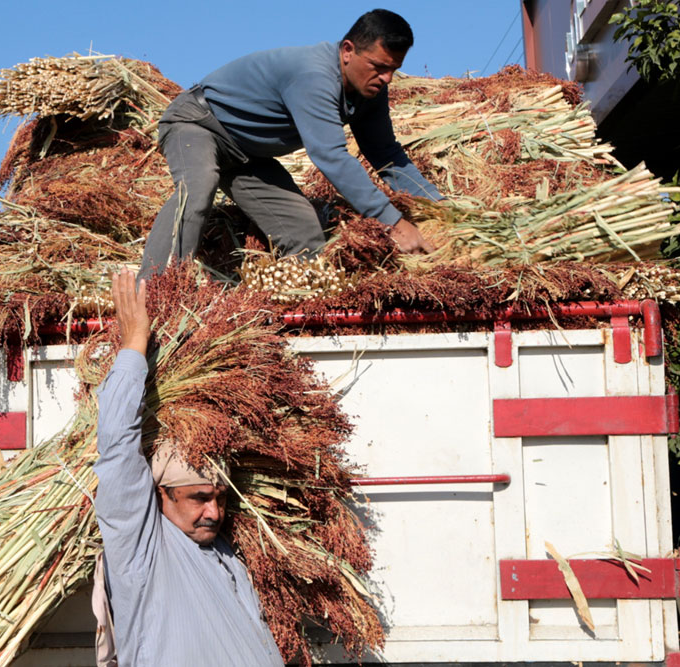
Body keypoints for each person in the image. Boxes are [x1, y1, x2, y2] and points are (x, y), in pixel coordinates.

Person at [139, 8, 442, 278]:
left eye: (394, 70)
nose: (387, 78)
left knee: (304, 231)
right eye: (379, 66)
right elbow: (331, 156)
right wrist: (394, 222)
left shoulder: (370, 92)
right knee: (198, 188)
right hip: (198, 123)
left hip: (248, 154)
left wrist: (442, 209)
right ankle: (154, 293)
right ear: (347, 50)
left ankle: (297, 306)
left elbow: (385, 153)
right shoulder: (314, 75)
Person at [93, 269, 284, 666]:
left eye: (219, 499)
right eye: (199, 498)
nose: (213, 513)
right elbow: (117, 447)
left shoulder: (225, 555)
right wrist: (133, 345)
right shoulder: (141, 547)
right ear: (159, 495)